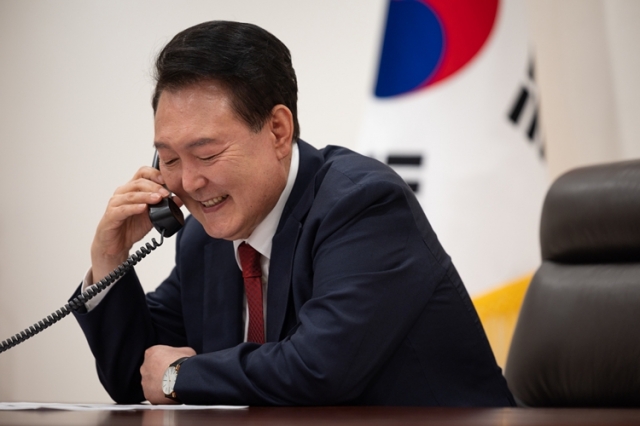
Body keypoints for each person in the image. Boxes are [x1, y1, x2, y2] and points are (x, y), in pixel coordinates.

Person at [72, 20, 515, 406]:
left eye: (205, 155)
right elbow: (140, 376)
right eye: (168, 159)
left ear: (278, 131)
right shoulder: (204, 237)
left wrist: (181, 376)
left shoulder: (363, 206)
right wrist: (108, 260)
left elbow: (319, 368)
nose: (187, 183)